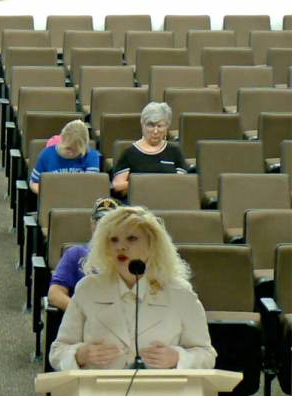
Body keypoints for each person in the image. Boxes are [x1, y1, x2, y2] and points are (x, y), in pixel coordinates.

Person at [49, 206, 216, 370]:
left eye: (132, 239)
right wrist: (80, 355)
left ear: (152, 244)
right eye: (114, 240)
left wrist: (178, 358)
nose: (121, 247)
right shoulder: (88, 289)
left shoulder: (180, 292)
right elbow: (57, 352)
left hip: (161, 394)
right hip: (99, 392)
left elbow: (206, 355)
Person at [48, 197, 120, 310]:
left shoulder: (128, 259)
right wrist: (82, 312)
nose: (103, 227)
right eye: (99, 222)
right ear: (92, 224)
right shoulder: (76, 254)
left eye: (109, 223)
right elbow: (55, 294)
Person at [112, 102, 188, 197]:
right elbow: (117, 185)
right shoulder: (130, 152)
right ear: (143, 125)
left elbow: (183, 183)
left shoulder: (174, 151)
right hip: (139, 202)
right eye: (151, 125)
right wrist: (147, 184)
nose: (155, 131)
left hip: (169, 199)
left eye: (160, 126)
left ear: (167, 127)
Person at [29, 119, 101, 194]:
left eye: (76, 150)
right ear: (62, 140)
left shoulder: (91, 156)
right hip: (52, 198)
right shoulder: (47, 154)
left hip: (80, 198)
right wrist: (46, 194)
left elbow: (90, 185)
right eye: (68, 148)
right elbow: (34, 182)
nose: (71, 153)